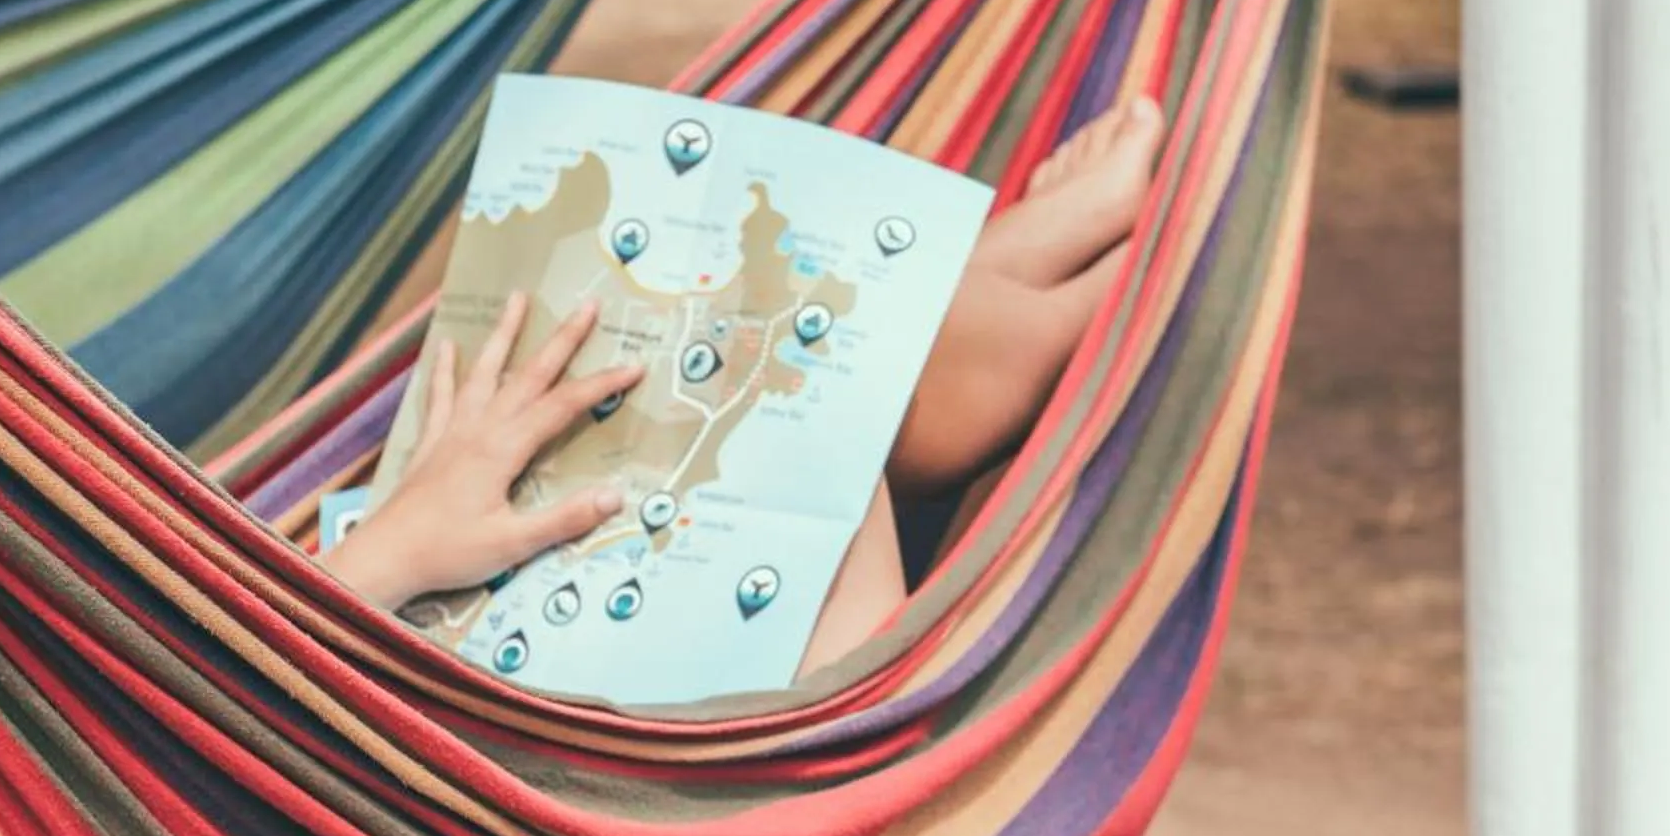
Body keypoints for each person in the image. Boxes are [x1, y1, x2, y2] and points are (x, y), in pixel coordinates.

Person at [328, 97, 1166, 679]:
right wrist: (391, 554)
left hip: (329, 656)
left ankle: (1011, 281)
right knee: (765, 358)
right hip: (680, 815)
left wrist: (386, 552)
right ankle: (1105, 291)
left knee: (623, 356)